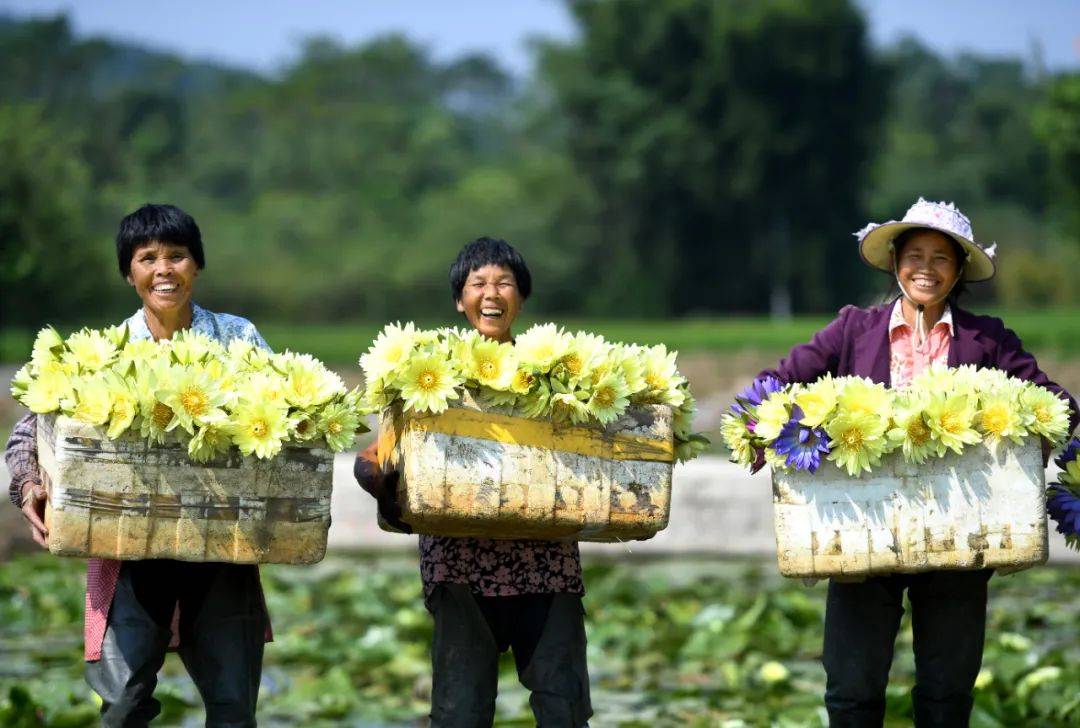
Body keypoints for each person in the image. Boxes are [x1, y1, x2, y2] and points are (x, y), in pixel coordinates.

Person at [754, 198, 1078, 727]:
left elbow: (1059, 404)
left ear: (959, 271)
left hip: (961, 530)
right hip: (863, 530)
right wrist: (772, 427)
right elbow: (776, 383)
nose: (926, 269)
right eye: (915, 256)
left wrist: (1024, 431)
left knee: (947, 695)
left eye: (941, 258)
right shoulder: (853, 328)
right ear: (895, 263)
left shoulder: (988, 338)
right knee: (852, 693)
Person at [5, 203, 271, 727]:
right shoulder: (105, 352)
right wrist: (29, 485)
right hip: (126, 550)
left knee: (233, 708)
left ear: (197, 265)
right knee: (123, 706)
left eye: (177, 256)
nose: (164, 270)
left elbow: (289, 413)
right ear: (130, 274)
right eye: (147, 259)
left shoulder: (238, 339)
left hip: (223, 544)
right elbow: (28, 433)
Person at [354, 237, 592, 727]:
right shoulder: (429, 370)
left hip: (546, 562)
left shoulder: (554, 373)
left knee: (564, 708)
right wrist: (379, 478)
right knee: (459, 713)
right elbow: (380, 452)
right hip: (460, 567)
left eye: (504, 282)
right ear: (459, 301)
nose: (491, 293)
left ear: (521, 297)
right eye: (477, 283)